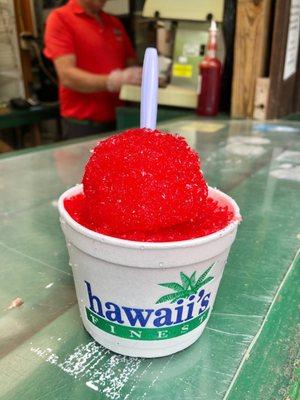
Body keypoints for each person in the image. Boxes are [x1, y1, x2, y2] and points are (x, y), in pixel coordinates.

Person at [44, 0, 142, 139]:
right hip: (83, 127)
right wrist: (112, 81)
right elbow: (67, 76)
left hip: (119, 122)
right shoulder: (60, 19)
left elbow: (131, 63)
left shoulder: (113, 22)